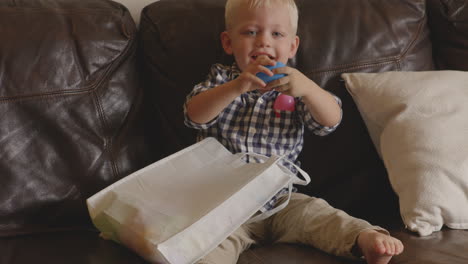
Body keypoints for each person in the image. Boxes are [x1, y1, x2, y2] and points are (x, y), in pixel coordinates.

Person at [184, 0, 404, 263]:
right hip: (225, 206)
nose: (263, 42)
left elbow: (330, 121)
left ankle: (365, 239)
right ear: (228, 42)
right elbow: (194, 115)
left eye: (276, 34)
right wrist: (237, 87)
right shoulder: (222, 80)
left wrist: (309, 90)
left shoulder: (296, 86)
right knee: (207, 245)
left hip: (282, 200)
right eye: (250, 32)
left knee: (318, 215)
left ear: (292, 46)